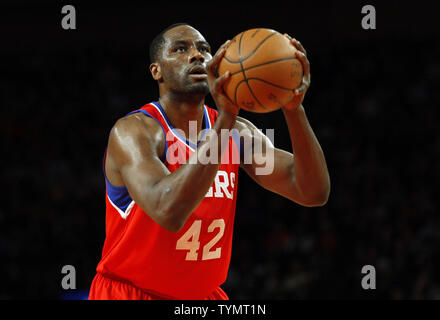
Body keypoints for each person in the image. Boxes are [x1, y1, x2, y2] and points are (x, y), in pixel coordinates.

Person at [88, 23, 330, 300]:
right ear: (156, 71)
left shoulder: (238, 132)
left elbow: (312, 191)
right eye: (181, 49)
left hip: (202, 297)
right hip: (132, 293)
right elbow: (167, 210)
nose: (197, 55)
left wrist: (293, 108)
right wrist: (226, 119)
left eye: (204, 49)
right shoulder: (134, 132)